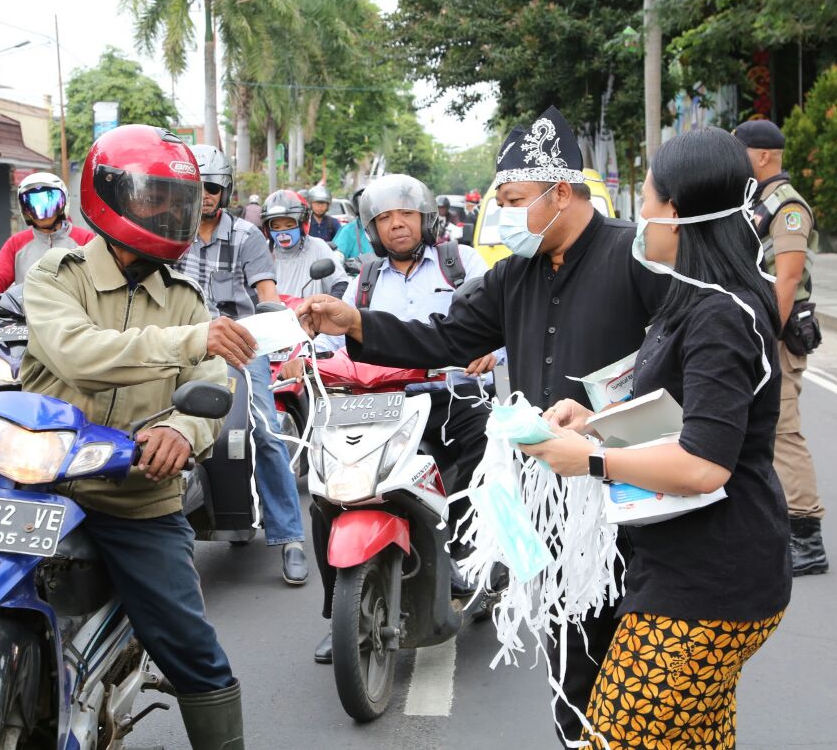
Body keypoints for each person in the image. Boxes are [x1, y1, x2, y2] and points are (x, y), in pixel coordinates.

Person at [297, 106, 665, 745]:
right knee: (570, 663)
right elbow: (446, 335)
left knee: (638, 671)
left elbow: (678, 355)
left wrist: (609, 414)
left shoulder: (632, 257)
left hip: (629, 492)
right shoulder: (515, 274)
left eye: (517, 199)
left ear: (560, 192)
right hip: (549, 499)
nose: (506, 216)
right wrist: (354, 325)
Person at [0, 125, 249, 747]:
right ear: (106, 196)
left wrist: (181, 430)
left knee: (191, 647)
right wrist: (193, 340)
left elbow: (212, 384)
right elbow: (76, 353)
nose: (166, 212)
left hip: (135, 496)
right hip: (36, 483)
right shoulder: (59, 273)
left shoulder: (187, 299)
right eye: (150, 198)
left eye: (175, 200)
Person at [522, 126, 792, 747]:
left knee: (615, 739)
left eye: (646, 196)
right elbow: (679, 410)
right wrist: (591, 420)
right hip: (680, 568)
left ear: (676, 210)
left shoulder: (721, 314)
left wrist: (589, 460)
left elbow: (703, 464)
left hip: (709, 584)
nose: (640, 213)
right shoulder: (693, 300)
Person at [289, 173, 496, 665]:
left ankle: (472, 562)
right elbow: (334, 339)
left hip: (450, 396)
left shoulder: (461, 263)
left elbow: (500, 320)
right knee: (330, 490)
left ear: (426, 219)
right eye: (385, 218)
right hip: (382, 402)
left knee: (481, 454)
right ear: (372, 228)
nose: (397, 225)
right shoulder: (361, 280)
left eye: (405, 214)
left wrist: (492, 352)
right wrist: (303, 352)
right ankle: (340, 612)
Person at [175, 144, 309, 584]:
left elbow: (267, 297)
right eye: (197, 187)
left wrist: (281, 338)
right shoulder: (172, 234)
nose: (206, 195)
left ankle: (289, 536)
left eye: (212, 187)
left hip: (239, 345)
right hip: (183, 345)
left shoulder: (247, 237)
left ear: (226, 190)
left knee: (266, 431)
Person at [734, 119, 829, 576]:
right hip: (757, 330)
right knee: (759, 434)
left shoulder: (788, 206)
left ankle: (808, 539)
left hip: (774, 335)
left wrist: (759, 333)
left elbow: (787, 279)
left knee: (784, 435)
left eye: (742, 153)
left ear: (764, 155)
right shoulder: (756, 201)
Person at [0, 172, 94, 399]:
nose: (41, 209)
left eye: (48, 201)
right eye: (33, 202)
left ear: (62, 203)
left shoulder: (85, 240)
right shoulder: (17, 242)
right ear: (24, 208)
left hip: (73, 320)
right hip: (23, 322)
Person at [260, 189, 348, 299]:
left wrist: (328, 304)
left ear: (302, 224)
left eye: (289, 225)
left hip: (311, 312)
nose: (283, 232)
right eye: (276, 227)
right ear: (268, 229)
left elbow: (340, 282)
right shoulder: (265, 251)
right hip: (274, 313)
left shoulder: (317, 246)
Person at [331, 178, 373, 264]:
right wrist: (337, 259)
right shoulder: (349, 230)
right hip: (357, 275)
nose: (366, 206)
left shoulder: (384, 227)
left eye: (369, 201)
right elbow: (338, 253)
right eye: (361, 201)